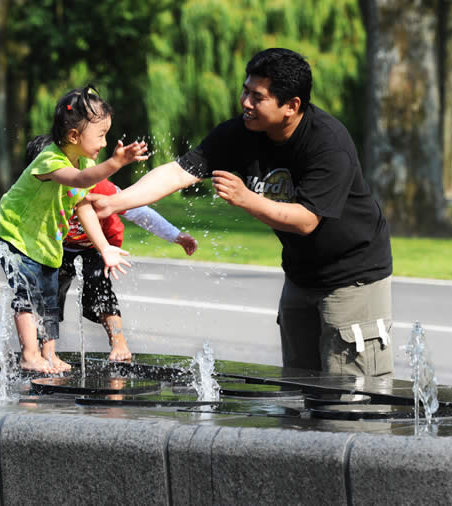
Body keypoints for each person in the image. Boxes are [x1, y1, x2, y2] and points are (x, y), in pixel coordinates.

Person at [91, 48, 394, 378]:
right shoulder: (242, 132)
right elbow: (179, 172)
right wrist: (117, 203)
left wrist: (247, 199)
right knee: (299, 388)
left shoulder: (327, 143)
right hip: (300, 274)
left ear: (292, 106)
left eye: (257, 96)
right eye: (245, 90)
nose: (245, 102)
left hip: (353, 278)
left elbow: (307, 220)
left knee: (352, 396)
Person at [0, 85, 149, 374]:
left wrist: (104, 249)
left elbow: (82, 205)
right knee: (28, 294)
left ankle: (48, 354)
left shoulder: (84, 159)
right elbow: (78, 180)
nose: (105, 142)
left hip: (44, 240)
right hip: (14, 234)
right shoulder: (50, 160)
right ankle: (29, 354)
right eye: (101, 135)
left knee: (49, 297)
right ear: (75, 136)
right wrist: (115, 163)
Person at [25, 134, 198, 362]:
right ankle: (44, 351)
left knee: (100, 289)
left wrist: (176, 235)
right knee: (45, 294)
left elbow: (138, 211)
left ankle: (118, 342)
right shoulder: (35, 194)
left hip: (99, 245)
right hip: (58, 247)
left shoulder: (101, 188)